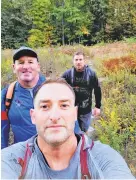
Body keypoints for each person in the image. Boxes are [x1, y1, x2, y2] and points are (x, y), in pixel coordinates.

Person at [1, 78, 135, 179]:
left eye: (64, 105)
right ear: (33, 116)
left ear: (75, 113)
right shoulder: (10, 160)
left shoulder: (104, 159)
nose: (54, 116)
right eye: (44, 106)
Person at [1, 46, 46, 149]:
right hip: (24, 156)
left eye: (30, 62)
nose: (26, 66)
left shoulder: (54, 89)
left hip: (53, 156)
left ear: (38, 66)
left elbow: (71, 124)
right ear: (14, 67)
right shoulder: (6, 96)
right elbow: (1, 132)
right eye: (21, 63)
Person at [62, 51, 101, 133]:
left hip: (85, 110)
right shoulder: (67, 74)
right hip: (70, 109)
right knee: (71, 132)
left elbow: (97, 90)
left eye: (80, 59)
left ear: (84, 61)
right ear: (73, 61)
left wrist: (98, 106)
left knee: (84, 131)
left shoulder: (91, 74)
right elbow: (58, 88)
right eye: (76, 60)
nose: (78, 62)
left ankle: (83, 143)